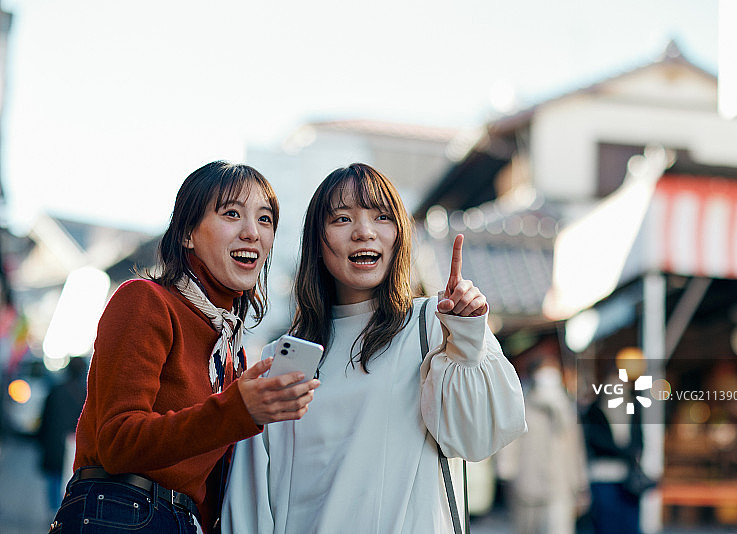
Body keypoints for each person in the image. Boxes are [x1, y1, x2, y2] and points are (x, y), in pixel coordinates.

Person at [222, 162, 527, 534]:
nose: (364, 232)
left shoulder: (436, 324)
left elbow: (479, 439)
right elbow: (252, 502)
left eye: (382, 217)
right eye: (342, 219)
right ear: (317, 241)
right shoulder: (280, 360)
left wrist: (466, 337)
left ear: (399, 235)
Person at [50, 161, 320, 534]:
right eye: (232, 214)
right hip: (120, 513)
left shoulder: (231, 351)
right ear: (187, 234)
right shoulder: (145, 301)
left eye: (265, 219)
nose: (252, 232)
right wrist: (238, 409)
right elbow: (117, 441)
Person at [498, 353, 590, 534]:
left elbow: (576, 449)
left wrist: (581, 484)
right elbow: (509, 443)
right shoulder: (521, 405)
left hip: (560, 486)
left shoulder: (565, 407)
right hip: (527, 485)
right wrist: (506, 472)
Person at [582, 375, 645, 534]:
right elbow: (595, 441)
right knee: (607, 524)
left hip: (627, 480)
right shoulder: (594, 412)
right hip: (603, 478)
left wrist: (631, 453)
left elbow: (639, 439)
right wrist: (624, 452)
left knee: (628, 525)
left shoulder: (632, 410)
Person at [37, 356, 88, 517]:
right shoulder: (87, 394)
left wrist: (41, 441)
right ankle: (66, 512)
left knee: (54, 478)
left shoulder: (56, 390)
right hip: (76, 445)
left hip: (54, 443)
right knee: (72, 480)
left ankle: (54, 512)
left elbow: (45, 418)